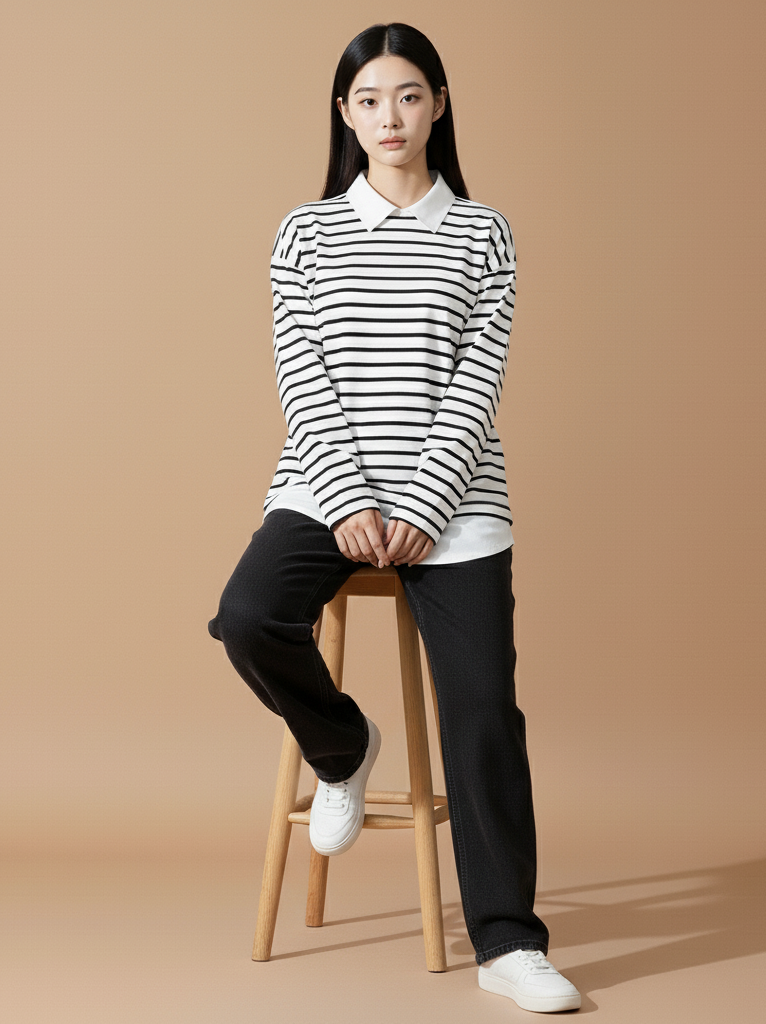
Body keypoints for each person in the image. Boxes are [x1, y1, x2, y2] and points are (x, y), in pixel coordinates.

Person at [208, 22, 581, 1014]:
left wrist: (418, 503)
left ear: (439, 105)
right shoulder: (305, 231)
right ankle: (341, 747)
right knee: (246, 617)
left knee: (483, 713)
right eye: (370, 99)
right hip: (323, 488)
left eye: (408, 96)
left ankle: (507, 941)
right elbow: (304, 374)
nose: (390, 118)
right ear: (344, 113)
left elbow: (476, 381)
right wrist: (351, 502)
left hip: (453, 504)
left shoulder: (483, 232)